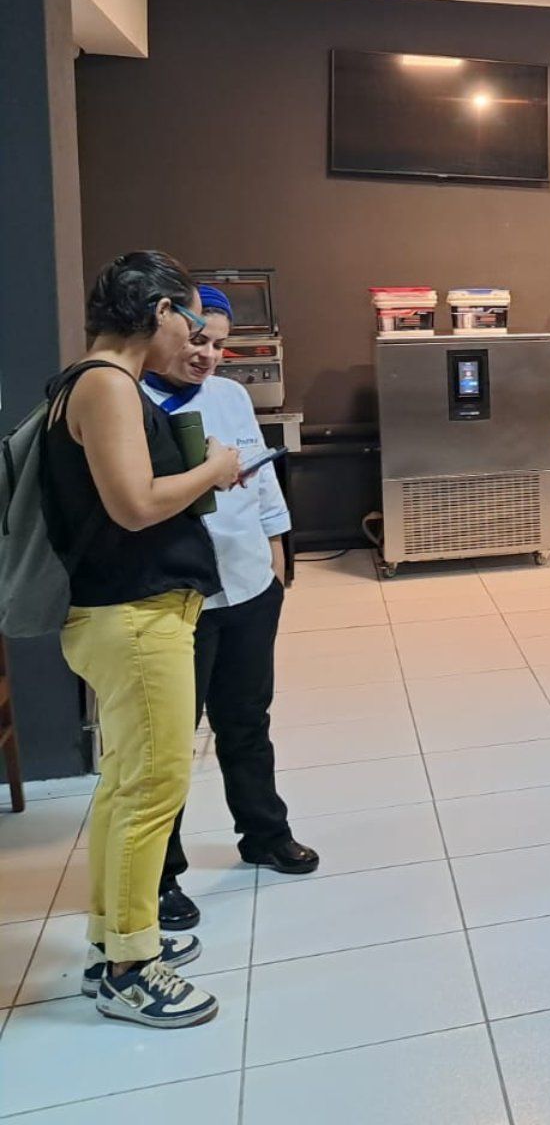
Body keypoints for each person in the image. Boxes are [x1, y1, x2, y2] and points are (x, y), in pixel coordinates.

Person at [47, 252, 241, 1029]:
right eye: (190, 322)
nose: (195, 338)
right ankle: (131, 968)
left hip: (127, 614)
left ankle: (114, 938)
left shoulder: (89, 382)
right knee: (154, 786)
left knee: (129, 784)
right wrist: (214, 470)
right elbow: (133, 506)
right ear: (159, 311)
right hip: (133, 616)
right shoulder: (106, 383)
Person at [142, 286, 318, 936]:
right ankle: (159, 873)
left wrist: (275, 555)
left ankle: (265, 834)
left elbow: (263, 478)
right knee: (167, 743)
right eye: (198, 341)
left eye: (219, 343)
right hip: (175, 599)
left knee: (246, 720)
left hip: (247, 586)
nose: (209, 355)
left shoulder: (231, 396)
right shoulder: (128, 402)